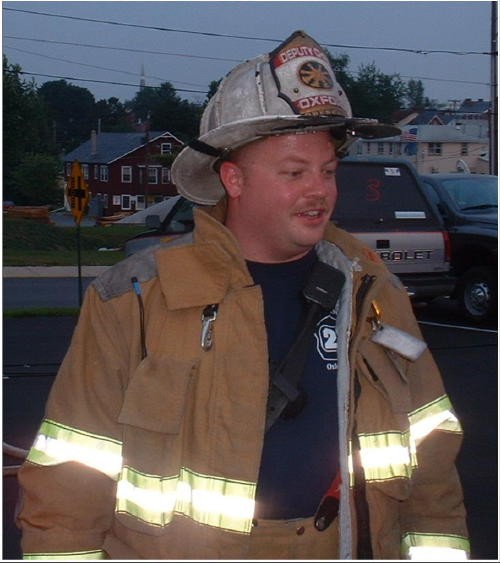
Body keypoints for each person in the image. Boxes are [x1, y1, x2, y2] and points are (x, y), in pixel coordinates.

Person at [16, 30, 470, 560]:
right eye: (294, 172)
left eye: (327, 171)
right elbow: (70, 484)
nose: (319, 190)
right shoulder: (136, 298)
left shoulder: (374, 294)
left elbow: (433, 470)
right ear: (233, 179)